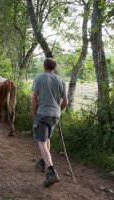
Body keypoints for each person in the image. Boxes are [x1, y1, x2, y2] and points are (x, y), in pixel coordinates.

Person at [31, 58, 68, 187]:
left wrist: (33, 113)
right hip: (55, 115)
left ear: (44, 66)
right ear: (54, 67)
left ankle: (51, 171)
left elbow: (34, 98)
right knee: (46, 139)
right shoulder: (61, 80)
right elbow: (65, 101)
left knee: (41, 142)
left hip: (42, 114)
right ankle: (42, 162)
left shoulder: (39, 78)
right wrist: (58, 110)